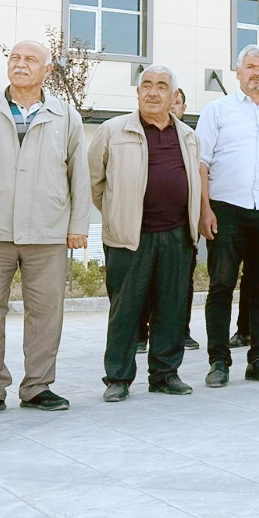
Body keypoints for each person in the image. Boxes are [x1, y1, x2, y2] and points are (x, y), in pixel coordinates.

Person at [0, 40, 89, 418]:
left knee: (46, 312)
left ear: (48, 70)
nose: (21, 64)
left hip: (48, 231)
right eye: (15, 58)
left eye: (30, 59)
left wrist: (77, 225)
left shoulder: (66, 116)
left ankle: (38, 386)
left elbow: (78, 175)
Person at [90, 66, 200, 400]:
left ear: (174, 96)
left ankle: (165, 374)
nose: (153, 92)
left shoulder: (188, 135)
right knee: (125, 310)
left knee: (171, 308)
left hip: (177, 235)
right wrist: (117, 214)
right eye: (146, 85)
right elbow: (95, 182)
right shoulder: (113, 130)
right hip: (129, 236)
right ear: (137, 93)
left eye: (162, 86)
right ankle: (118, 378)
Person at [196, 44, 259, 389]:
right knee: (221, 285)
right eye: (251, 67)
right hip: (226, 209)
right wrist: (204, 209)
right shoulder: (217, 110)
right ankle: (218, 362)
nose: (257, 73)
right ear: (238, 72)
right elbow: (201, 163)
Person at [138, 86, 198, 353]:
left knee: (178, 290)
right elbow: (97, 179)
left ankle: (179, 337)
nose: (171, 106)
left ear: (182, 107)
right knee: (140, 289)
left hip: (179, 230)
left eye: (177, 102)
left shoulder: (190, 137)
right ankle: (139, 336)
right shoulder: (128, 131)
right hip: (139, 230)